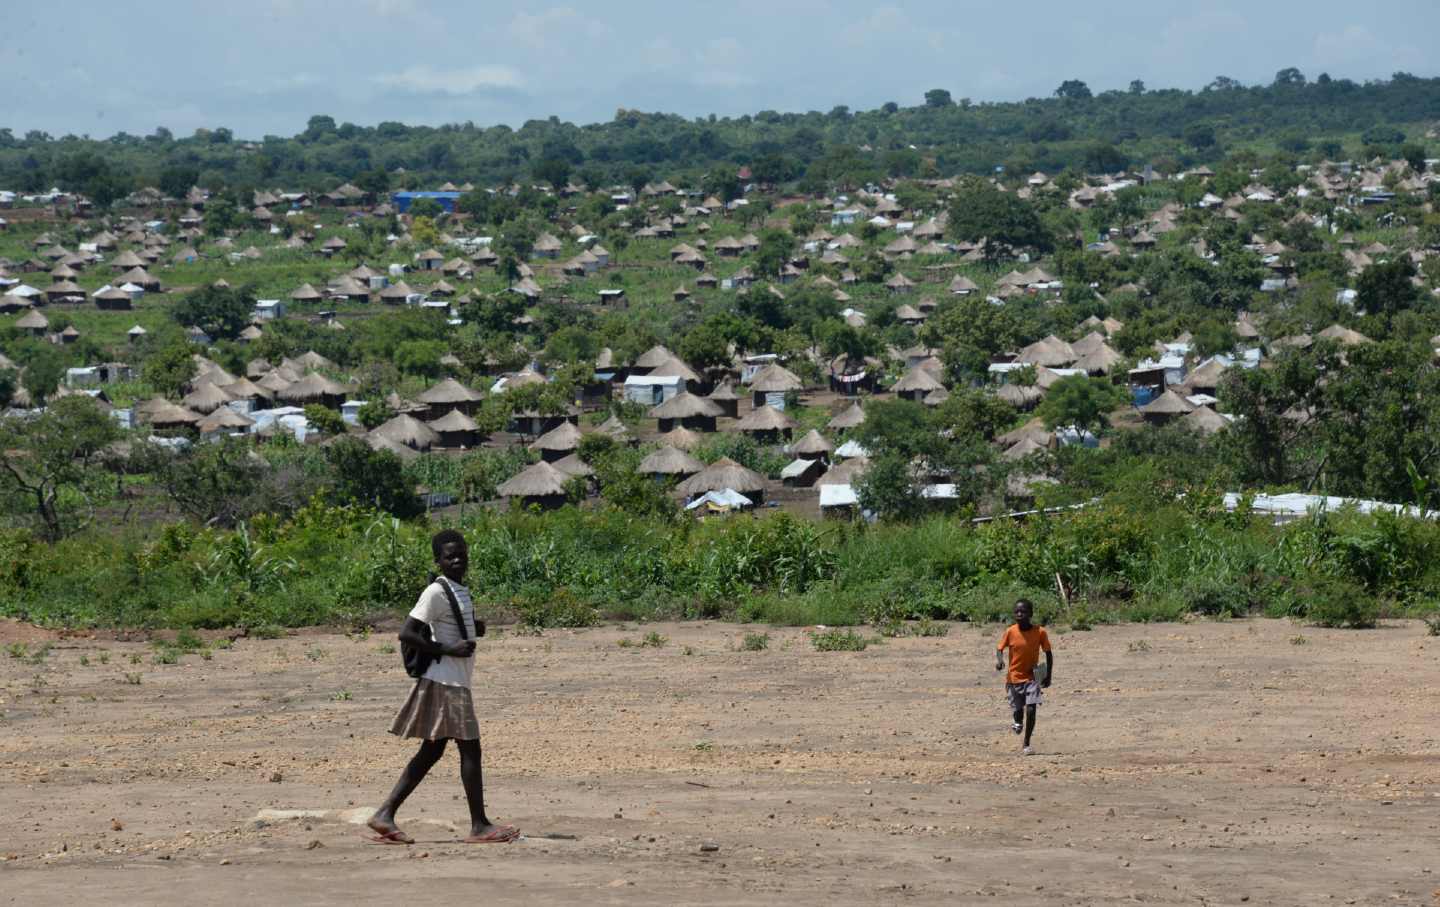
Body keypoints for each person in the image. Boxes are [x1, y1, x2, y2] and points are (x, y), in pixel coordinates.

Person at [367, 529, 519, 845]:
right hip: (446, 680)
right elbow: (407, 633)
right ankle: (479, 826)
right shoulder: (436, 592)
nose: (457, 559)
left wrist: (472, 628)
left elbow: (450, 626)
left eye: (461, 553)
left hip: (454, 679)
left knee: (432, 750)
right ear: (438, 560)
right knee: (470, 747)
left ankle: (385, 814)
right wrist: (448, 650)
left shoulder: (460, 590)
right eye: (450, 555)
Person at [995, 599, 1054, 756]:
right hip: (1014, 678)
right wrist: (1000, 661)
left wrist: (1048, 675)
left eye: (1023, 612)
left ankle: (1026, 743)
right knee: (1018, 711)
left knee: (1031, 709)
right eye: (1017, 612)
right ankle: (1018, 721)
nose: (1019, 614)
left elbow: (1048, 653)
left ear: (1031, 614)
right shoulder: (1010, 631)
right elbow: (999, 649)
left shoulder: (1040, 632)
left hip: (1032, 677)